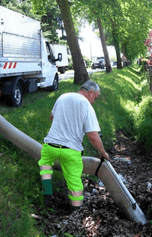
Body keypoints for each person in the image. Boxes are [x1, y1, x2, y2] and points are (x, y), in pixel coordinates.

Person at [38, 80, 110, 211]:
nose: (94, 101)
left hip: (50, 145)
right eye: (95, 97)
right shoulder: (87, 106)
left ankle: (47, 195)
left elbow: (51, 118)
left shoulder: (62, 97)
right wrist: (103, 152)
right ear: (91, 93)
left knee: (45, 165)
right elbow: (93, 135)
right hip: (71, 151)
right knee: (74, 182)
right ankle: (76, 213)